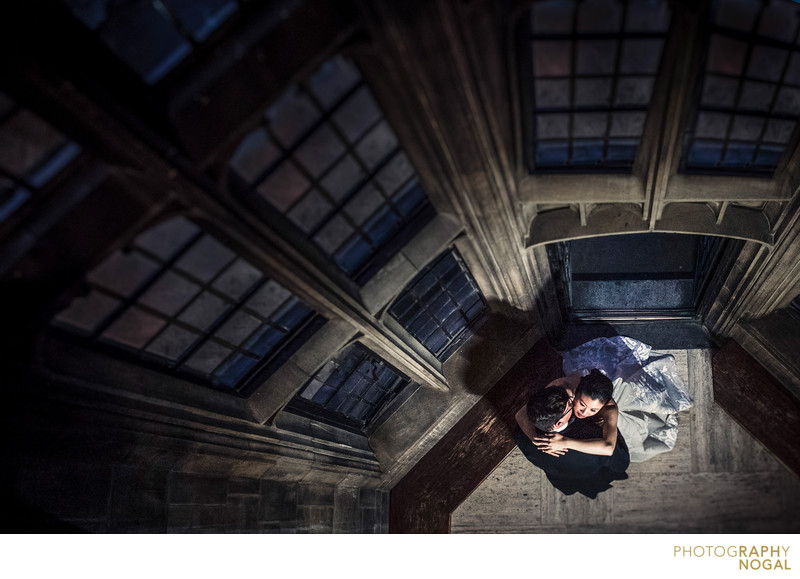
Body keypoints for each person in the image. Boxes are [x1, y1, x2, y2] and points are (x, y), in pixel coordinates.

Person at [513, 378, 629, 499]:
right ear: (558, 423)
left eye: (593, 410)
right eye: (571, 404)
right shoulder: (591, 434)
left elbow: (520, 414)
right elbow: (615, 455)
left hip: (563, 479)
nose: (571, 401)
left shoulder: (521, 436)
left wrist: (535, 439)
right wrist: (564, 442)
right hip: (590, 467)